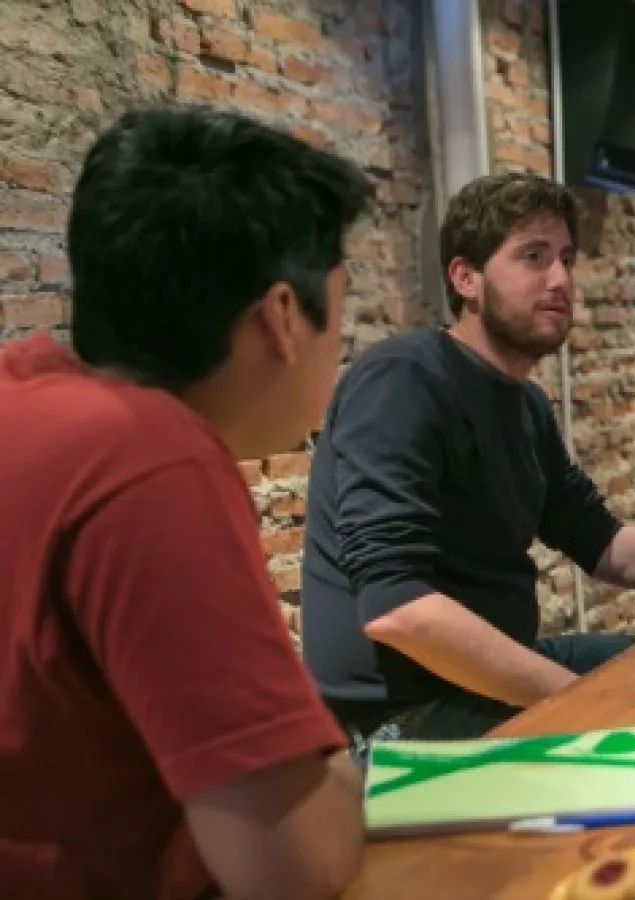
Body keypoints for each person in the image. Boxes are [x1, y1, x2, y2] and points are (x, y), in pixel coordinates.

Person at [301, 171, 635, 747]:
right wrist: (580, 701)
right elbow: (398, 609)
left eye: (566, 259)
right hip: (400, 717)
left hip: (486, 679)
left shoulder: (524, 404)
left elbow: (603, 544)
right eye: (533, 257)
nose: (560, 279)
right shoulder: (403, 381)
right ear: (466, 278)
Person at [0, 108, 372, 899]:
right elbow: (290, 867)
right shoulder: (148, 461)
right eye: (340, 318)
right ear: (281, 317)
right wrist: (336, 769)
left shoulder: (23, 398)